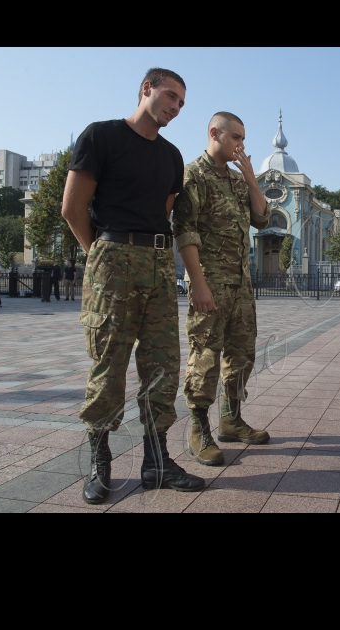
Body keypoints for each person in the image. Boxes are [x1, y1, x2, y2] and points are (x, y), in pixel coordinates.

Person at [62, 67, 205, 505]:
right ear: (147, 89)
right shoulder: (101, 136)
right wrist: (101, 254)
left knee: (163, 363)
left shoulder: (172, 156)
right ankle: (100, 463)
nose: (176, 107)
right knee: (109, 364)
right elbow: (72, 207)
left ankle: (156, 462)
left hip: (158, 264)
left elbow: (160, 212)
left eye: (181, 102)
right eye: (170, 96)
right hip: (113, 261)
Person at [173, 112, 272, 467]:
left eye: (243, 139)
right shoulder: (193, 174)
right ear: (215, 133)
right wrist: (197, 284)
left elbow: (262, 218)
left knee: (241, 355)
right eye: (235, 138)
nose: (240, 145)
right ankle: (199, 429)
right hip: (209, 285)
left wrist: (251, 179)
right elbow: (185, 231)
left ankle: (231, 419)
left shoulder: (236, 180)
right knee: (205, 357)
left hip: (241, 287)